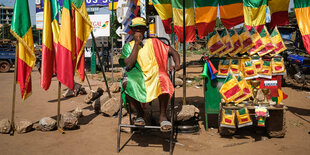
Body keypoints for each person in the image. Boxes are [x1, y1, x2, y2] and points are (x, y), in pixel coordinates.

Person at [119, 17, 181, 132]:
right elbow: (129, 64)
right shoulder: (128, 46)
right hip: (137, 75)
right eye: (136, 29)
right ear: (132, 31)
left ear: (144, 30)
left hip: (155, 72)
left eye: (141, 29)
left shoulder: (154, 42)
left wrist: (177, 65)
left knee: (164, 79)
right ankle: (140, 113)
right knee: (127, 83)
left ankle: (162, 116)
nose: (138, 31)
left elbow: (173, 52)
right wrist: (137, 44)